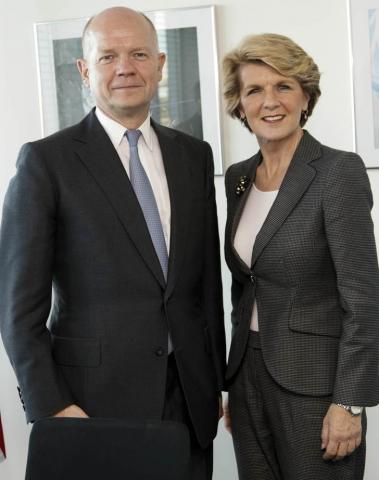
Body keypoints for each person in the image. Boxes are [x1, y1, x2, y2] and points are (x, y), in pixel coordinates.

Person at [0, 7, 226, 479]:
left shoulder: (194, 157)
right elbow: (17, 309)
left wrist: (217, 383)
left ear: (160, 64)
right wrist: (53, 406)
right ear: (85, 70)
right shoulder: (46, 163)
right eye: (108, 56)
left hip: (189, 403)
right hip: (90, 407)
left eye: (139, 53)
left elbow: (204, 289)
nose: (125, 67)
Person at [222, 33, 379, 480]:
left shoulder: (337, 172)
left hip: (315, 385)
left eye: (283, 86)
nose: (269, 101)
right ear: (240, 104)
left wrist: (349, 402)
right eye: (254, 90)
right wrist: (236, 382)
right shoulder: (238, 179)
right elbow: (245, 283)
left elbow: (363, 298)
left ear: (305, 96)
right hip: (248, 375)